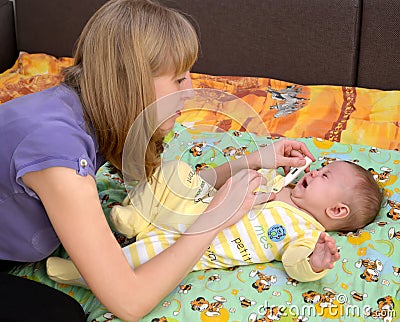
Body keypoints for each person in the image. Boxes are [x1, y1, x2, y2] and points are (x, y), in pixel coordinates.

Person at [0, 0, 315, 321]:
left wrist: (254, 161)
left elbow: (166, 194)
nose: (190, 92)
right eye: (179, 80)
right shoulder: (57, 153)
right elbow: (129, 302)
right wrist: (214, 219)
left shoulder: (91, 114)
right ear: (129, 82)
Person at [46, 154, 383, 287]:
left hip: (193, 245)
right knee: (176, 170)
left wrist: (315, 261)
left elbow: (296, 263)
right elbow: (219, 182)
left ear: (337, 211)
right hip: (191, 209)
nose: (313, 171)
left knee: (137, 261)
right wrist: (262, 163)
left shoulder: (304, 233)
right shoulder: (281, 183)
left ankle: (75, 273)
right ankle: (134, 218)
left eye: (324, 176)